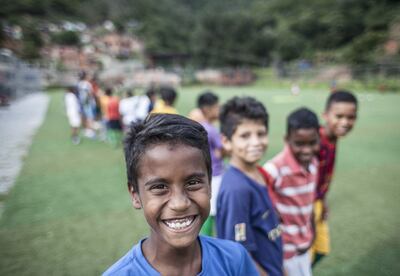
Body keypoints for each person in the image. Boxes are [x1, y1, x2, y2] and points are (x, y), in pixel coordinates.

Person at [103, 114, 259, 275]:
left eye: (193, 183)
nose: (180, 204)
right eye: (159, 187)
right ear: (135, 195)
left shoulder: (234, 260)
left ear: (209, 184)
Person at [216, 96, 284, 276]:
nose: (255, 142)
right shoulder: (237, 189)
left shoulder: (258, 173)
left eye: (260, 133)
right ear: (226, 141)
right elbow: (240, 254)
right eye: (245, 136)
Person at [263, 107, 320, 276]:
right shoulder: (274, 169)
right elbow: (260, 211)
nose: (307, 150)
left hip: (305, 246)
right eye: (299, 143)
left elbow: (307, 205)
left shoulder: (314, 164)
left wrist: (312, 232)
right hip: (284, 252)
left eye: (312, 142)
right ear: (287, 139)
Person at [311, 90, 358, 266]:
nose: (345, 122)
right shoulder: (314, 141)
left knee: (322, 250)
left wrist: (323, 200)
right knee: (301, 256)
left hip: (318, 202)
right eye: (339, 116)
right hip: (305, 206)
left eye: (351, 117)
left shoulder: (333, 138)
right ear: (325, 115)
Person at [196, 91, 224, 236]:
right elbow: (220, 152)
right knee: (214, 211)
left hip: (206, 173)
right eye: (217, 107)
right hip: (216, 174)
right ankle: (208, 241)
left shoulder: (199, 127)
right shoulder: (212, 130)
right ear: (207, 109)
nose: (219, 110)